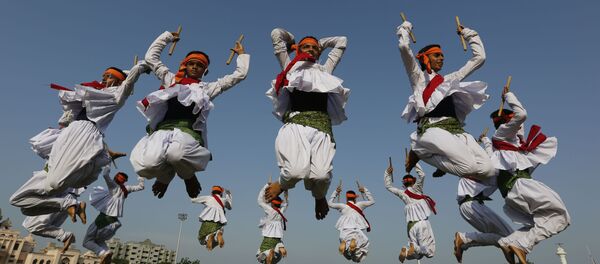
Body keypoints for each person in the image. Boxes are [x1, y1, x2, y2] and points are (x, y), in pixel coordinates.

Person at [10, 62, 148, 216]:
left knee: (54, 183)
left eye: (108, 77)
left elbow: (128, 82)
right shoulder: (93, 94)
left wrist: (141, 67)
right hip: (71, 132)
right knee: (21, 205)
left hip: (86, 132)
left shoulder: (116, 97)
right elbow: (69, 113)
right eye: (103, 76)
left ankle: (69, 201)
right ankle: (67, 204)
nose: (103, 79)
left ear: (118, 81)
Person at [130, 30, 249, 199]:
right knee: (146, 165)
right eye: (191, 63)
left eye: (199, 65)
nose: (194, 67)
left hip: (187, 132)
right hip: (162, 130)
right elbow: (151, 58)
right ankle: (165, 177)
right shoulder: (170, 79)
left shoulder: (207, 88)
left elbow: (239, 75)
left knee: (176, 154)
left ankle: (189, 177)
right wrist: (167, 37)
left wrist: (242, 55)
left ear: (205, 70)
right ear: (185, 65)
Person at [265, 28, 350, 220]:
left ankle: (319, 197)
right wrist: (293, 41)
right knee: (295, 171)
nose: (310, 50)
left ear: (319, 52)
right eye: (305, 47)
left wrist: (321, 43)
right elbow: (276, 33)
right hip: (296, 125)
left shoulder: (325, 70)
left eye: (314, 48)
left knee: (321, 176)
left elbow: (341, 40)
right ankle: (282, 184)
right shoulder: (289, 67)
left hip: (321, 127)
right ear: (297, 50)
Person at [396, 20, 493, 181]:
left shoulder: (450, 80)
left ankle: (435, 155)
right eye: (437, 55)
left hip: (456, 130)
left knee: (489, 171)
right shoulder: (418, 78)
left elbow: (479, 58)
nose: (441, 58)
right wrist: (406, 28)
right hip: (432, 128)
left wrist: (468, 34)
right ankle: (419, 150)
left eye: (442, 56)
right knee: (468, 167)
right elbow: (404, 48)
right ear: (425, 58)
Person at [483, 87, 570, 264]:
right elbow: (521, 115)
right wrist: (509, 96)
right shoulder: (502, 136)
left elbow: (519, 127)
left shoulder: (511, 146)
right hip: (520, 186)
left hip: (511, 194)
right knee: (561, 216)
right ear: (508, 122)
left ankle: (509, 242)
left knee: (540, 223)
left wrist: (484, 140)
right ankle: (523, 245)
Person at [83, 167, 144, 264]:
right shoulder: (126, 189)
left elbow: (105, 175)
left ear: (117, 178)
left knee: (86, 242)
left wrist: (109, 162)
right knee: (99, 240)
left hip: (104, 219)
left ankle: (102, 253)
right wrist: (140, 177)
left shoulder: (114, 186)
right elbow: (141, 187)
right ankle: (107, 252)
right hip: (113, 221)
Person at [453, 174, 514, 263]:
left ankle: (464, 241)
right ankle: (463, 238)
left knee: (508, 238)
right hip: (471, 205)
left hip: (472, 205)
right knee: (510, 237)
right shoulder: (473, 166)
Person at [384, 162, 435, 263]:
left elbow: (388, 186)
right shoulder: (417, 188)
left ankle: (407, 251)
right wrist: (413, 162)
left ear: (403, 183)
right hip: (422, 223)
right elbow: (422, 175)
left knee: (417, 256)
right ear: (414, 182)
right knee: (430, 252)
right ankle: (414, 247)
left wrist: (387, 173)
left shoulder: (401, 193)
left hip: (410, 226)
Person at [22, 186, 86, 253]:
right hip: (65, 198)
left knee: (31, 224)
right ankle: (77, 206)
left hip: (59, 195)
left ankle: (64, 235)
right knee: (50, 225)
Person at [328, 185, 374, 263]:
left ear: (346, 198)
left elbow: (330, 204)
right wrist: (365, 191)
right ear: (355, 198)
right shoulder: (360, 204)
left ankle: (346, 243)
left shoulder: (342, 206)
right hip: (356, 228)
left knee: (347, 245)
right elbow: (372, 201)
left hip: (345, 229)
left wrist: (335, 193)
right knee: (364, 242)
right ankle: (352, 244)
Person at [192, 185, 232, 251]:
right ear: (221, 193)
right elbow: (230, 207)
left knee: (201, 238)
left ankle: (209, 237)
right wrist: (228, 194)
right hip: (219, 223)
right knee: (218, 233)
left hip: (208, 222)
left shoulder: (208, 198)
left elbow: (193, 200)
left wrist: (193, 192)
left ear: (212, 193)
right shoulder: (223, 200)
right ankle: (217, 234)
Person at [256, 184, 288, 264]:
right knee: (274, 257)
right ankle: (278, 246)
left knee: (259, 257)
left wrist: (266, 186)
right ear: (279, 204)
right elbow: (286, 204)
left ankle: (268, 252)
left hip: (268, 238)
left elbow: (260, 201)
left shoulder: (270, 210)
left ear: (272, 204)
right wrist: (286, 196)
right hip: (277, 238)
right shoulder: (281, 211)